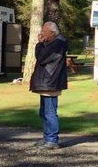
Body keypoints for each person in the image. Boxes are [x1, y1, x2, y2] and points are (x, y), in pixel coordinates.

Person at [29, 21, 68, 149]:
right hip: (47, 82)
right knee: (44, 112)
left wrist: (39, 44)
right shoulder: (53, 43)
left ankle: (52, 140)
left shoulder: (58, 43)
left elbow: (41, 57)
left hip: (50, 82)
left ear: (52, 33)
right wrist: (43, 43)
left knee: (50, 112)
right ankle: (47, 138)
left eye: (44, 31)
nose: (41, 33)